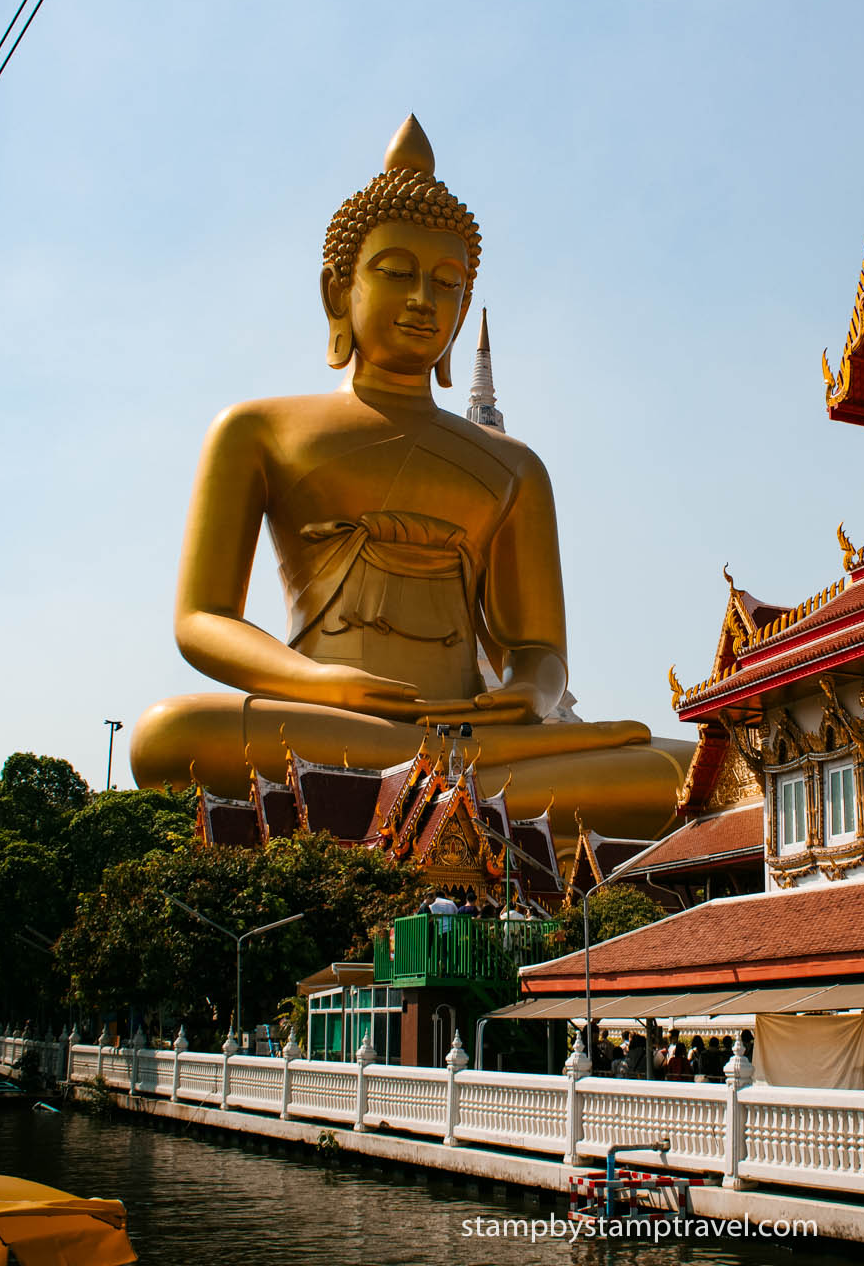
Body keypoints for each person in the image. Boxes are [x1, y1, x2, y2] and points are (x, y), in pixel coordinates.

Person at [128, 116, 691, 851]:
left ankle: (432, 782)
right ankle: (452, 787)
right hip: (332, 721)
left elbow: (539, 650)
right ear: (338, 291)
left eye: (447, 283)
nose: (425, 298)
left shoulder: (515, 465)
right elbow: (201, 620)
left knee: (679, 769)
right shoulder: (257, 429)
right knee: (168, 736)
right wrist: (316, 683)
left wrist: (528, 692)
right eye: (397, 272)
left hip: (471, 731)